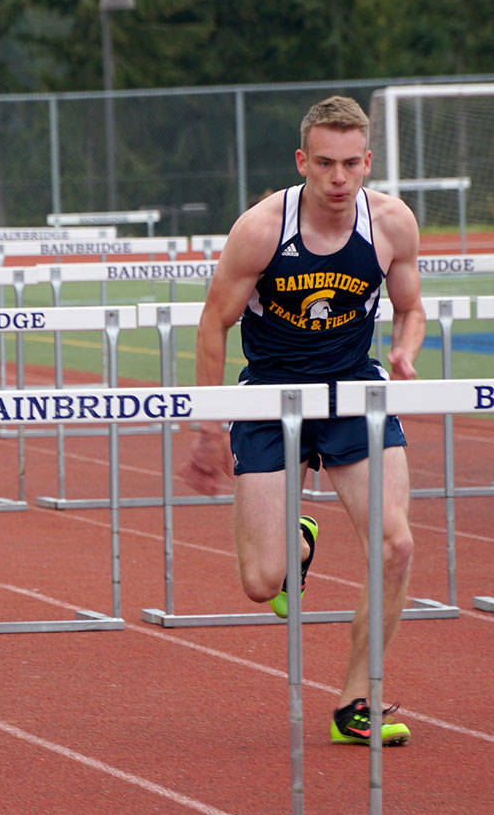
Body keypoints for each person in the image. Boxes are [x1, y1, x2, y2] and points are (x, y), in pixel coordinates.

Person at [181, 96, 423, 747]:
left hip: (353, 390)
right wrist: (207, 428)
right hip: (270, 395)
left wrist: (405, 348)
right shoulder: (263, 229)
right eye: (324, 163)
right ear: (301, 162)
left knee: (396, 546)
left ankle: (356, 702)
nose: (338, 178)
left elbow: (410, 307)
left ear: (367, 161)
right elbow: (213, 323)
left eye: (350, 164)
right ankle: (298, 542)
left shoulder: (391, 223)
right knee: (262, 583)